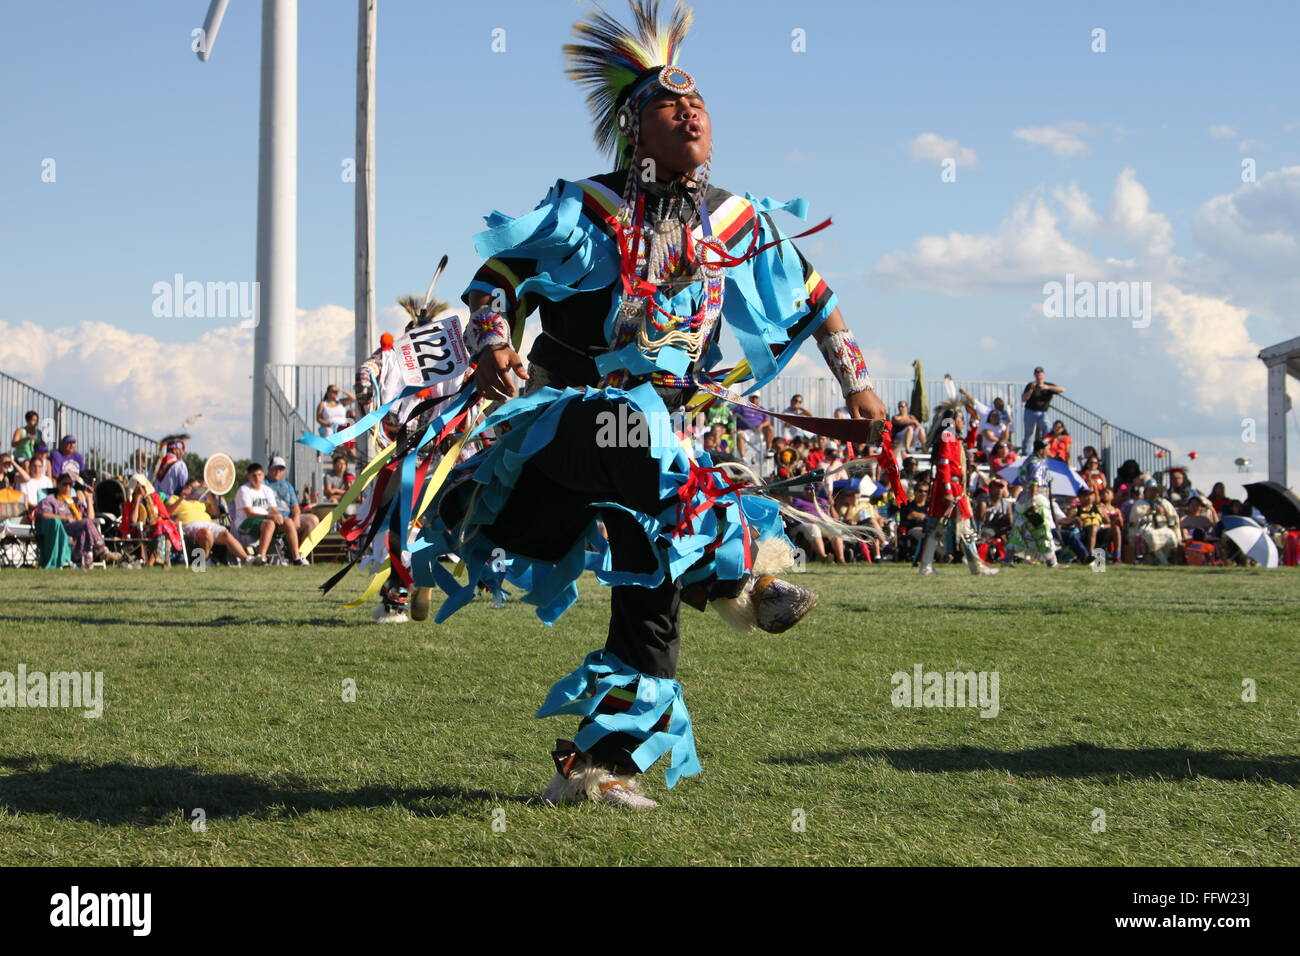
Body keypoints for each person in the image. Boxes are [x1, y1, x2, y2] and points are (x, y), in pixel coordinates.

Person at [387, 0, 890, 811]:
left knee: (647, 600)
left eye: (698, 103)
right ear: (633, 128)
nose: (690, 111)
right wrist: (494, 344)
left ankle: (595, 768)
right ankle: (744, 579)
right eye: (668, 103)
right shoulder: (587, 206)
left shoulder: (732, 219)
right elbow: (497, 281)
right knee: (639, 439)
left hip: (658, 459)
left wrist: (856, 379)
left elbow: (815, 295)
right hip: (560, 437)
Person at [917, 407, 998, 576]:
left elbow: (970, 442)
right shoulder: (947, 437)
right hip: (949, 489)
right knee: (946, 529)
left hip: (953, 488)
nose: (963, 422)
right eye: (961, 419)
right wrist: (947, 490)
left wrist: (974, 423)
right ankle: (974, 568)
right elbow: (944, 464)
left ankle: (927, 566)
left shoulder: (954, 438)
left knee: (953, 529)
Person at [34, 472, 121, 566]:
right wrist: (64, 517)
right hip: (62, 528)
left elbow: (90, 518)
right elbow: (42, 514)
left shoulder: (75, 501)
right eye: (64, 484)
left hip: (79, 527)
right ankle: (102, 551)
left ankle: (87, 563)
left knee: (86, 527)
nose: (67, 487)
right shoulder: (51, 500)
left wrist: (88, 498)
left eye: (70, 485)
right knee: (86, 524)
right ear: (58, 484)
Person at [233, 463, 304, 565]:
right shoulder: (244, 490)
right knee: (269, 523)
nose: (257, 478)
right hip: (245, 523)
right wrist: (269, 516)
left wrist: (278, 516)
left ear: (263, 475)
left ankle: (296, 558)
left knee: (288, 522)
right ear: (248, 477)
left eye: (259, 475)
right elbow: (249, 513)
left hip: (265, 521)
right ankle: (261, 558)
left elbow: (273, 509)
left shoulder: (267, 490)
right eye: (254, 475)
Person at [167, 478, 250, 564]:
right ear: (186, 487)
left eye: (198, 488)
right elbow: (168, 512)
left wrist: (208, 494)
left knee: (225, 534)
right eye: (194, 488)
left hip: (207, 523)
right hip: (189, 524)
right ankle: (203, 561)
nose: (195, 491)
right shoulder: (175, 498)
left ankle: (247, 560)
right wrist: (182, 497)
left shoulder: (201, 502)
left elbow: (216, 512)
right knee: (207, 533)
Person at [1008, 439, 1061, 567]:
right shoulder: (1036, 464)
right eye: (1048, 448)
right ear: (1042, 450)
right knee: (1043, 529)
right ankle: (1052, 561)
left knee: (1019, 530)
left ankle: (1007, 559)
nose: (1049, 451)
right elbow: (1034, 483)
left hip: (1023, 499)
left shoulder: (1028, 461)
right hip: (1035, 499)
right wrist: (1033, 502)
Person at [266, 456, 318, 550]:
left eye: (281, 469)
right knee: (288, 522)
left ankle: (302, 554)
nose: (278, 472)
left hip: (288, 517)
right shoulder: (263, 483)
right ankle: (295, 555)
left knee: (313, 520)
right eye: (275, 469)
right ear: (269, 468)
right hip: (273, 519)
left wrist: (297, 517)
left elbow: (295, 506)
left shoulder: (287, 485)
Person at [1127, 480, 1179, 565]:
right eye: (1150, 490)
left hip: (1162, 528)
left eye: (1154, 490)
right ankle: (1164, 562)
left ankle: (1162, 559)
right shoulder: (1139, 503)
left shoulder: (1163, 503)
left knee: (1171, 535)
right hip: (1144, 529)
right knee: (1152, 536)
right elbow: (1134, 518)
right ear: (1145, 491)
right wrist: (1150, 511)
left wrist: (1163, 512)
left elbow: (1173, 517)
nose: (1153, 492)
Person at [1020, 367, 1064, 454]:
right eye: (1037, 373)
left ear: (1043, 374)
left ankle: (1044, 449)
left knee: (1047, 428)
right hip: (1030, 411)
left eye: (1040, 373)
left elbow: (1062, 389)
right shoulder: (1030, 385)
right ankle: (1027, 452)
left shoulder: (1048, 385)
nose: (1038, 375)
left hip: (1043, 412)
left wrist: (1047, 387)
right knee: (1029, 433)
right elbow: (1024, 398)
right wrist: (1031, 389)